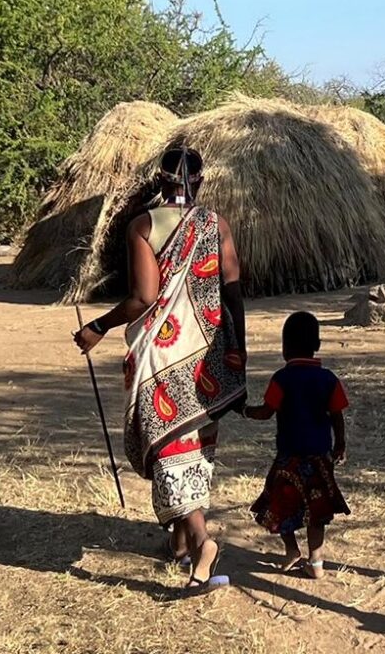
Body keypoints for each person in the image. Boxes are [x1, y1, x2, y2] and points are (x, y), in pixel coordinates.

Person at [74, 146, 246, 592]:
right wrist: (237, 354)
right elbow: (232, 294)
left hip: (160, 354)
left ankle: (203, 541)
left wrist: (98, 325)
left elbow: (144, 298)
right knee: (191, 442)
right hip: (206, 356)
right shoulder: (217, 225)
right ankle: (180, 542)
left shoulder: (143, 226)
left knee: (169, 449)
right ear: (200, 182)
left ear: (160, 180)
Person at [245, 311, 350, 579]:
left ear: (284, 347)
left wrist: (243, 410)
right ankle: (316, 560)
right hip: (320, 458)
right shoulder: (329, 379)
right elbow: (336, 415)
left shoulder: (281, 378)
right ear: (316, 345)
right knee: (317, 511)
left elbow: (267, 411)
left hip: (288, 457)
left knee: (279, 505)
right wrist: (340, 443)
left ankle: (291, 550)